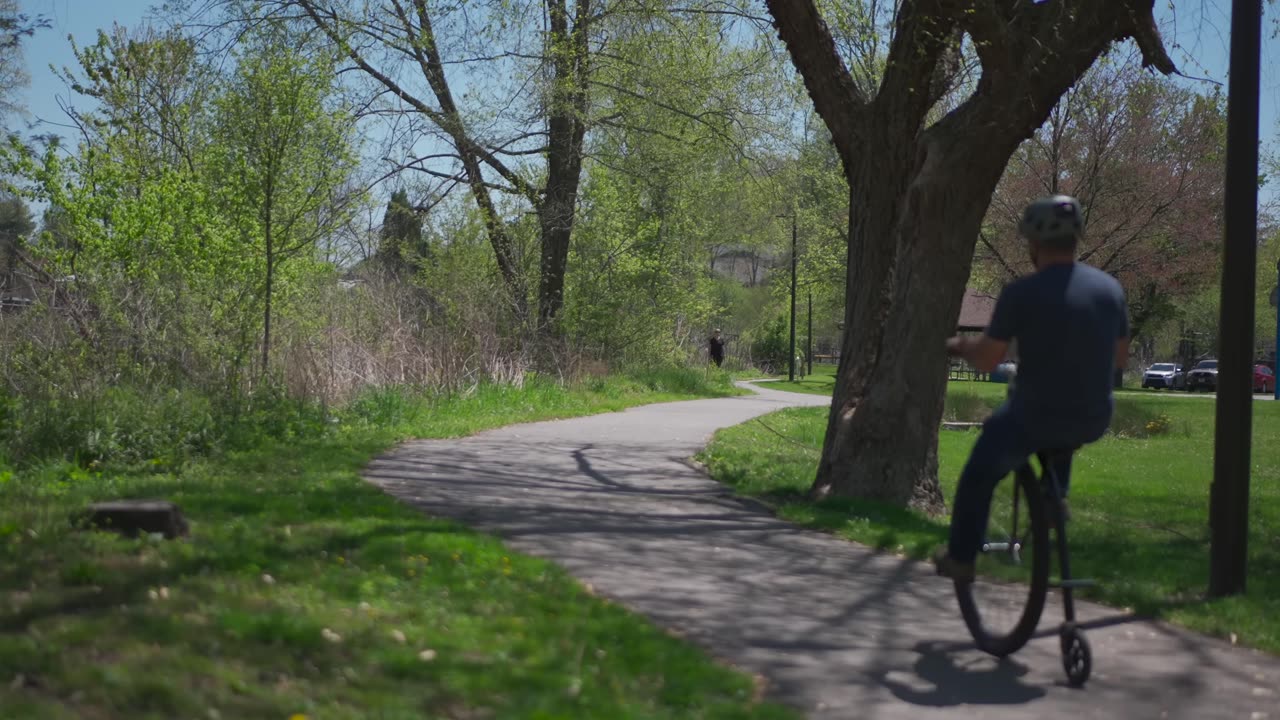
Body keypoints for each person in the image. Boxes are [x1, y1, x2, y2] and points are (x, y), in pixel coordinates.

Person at [934, 195, 1129, 582]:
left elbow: (989, 359)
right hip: (1093, 415)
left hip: (1035, 415)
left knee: (978, 473)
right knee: (1064, 430)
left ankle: (961, 557)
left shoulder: (1021, 293)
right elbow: (1119, 359)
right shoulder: (1110, 291)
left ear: (1034, 243)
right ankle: (1054, 497)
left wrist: (959, 346)